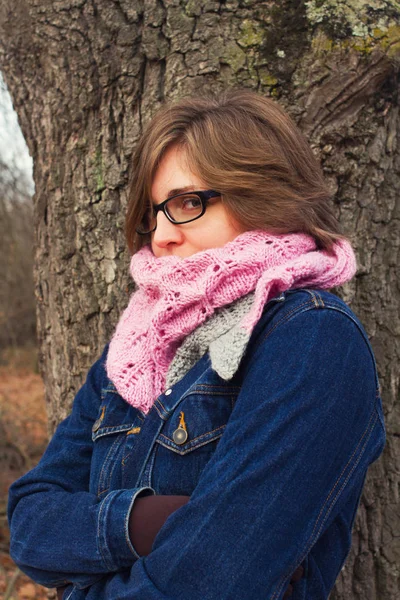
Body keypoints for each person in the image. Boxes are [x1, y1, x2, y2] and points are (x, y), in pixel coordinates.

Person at [8, 89, 386, 600]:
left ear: (264, 195)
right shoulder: (137, 347)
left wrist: (82, 573)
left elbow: (210, 583)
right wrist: (144, 523)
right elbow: (30, 518)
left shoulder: (311, 339)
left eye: (187, 202)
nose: (160, 234)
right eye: (152, 212)